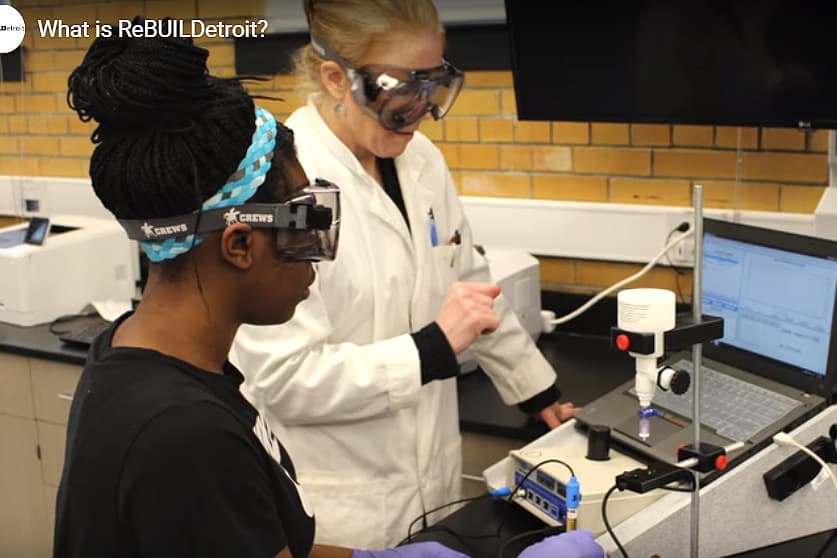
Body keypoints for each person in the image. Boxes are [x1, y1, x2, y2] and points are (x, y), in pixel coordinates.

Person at [53, 22, 602, 558]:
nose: (320, 258)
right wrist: (430, 349)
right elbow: (283, 389)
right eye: (308, 225)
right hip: (351, 490)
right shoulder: (186, 434)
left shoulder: (146, 366)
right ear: (239, 245)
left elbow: (272, 541)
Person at [231, 0, 581, 549]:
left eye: (433, 85)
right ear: (335, 78)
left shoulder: (423, 163)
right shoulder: (286, 184)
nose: (420, 111)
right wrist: (429, 351)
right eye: (400, 89)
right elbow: (284, 380)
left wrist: (540, 394)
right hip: (341, 515)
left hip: (433, 489)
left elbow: (471, 282)